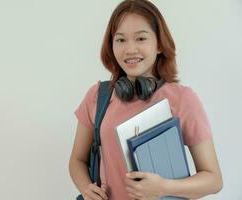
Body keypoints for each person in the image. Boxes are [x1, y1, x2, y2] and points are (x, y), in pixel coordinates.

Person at [69, 0, 223, 199]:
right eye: (121, 40)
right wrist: (85, 187)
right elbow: (77, 160)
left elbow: (214, 180)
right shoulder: (98, 96)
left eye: (141, 38)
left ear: (159, 44)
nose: (130, 49)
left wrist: (165, 187)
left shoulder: (182, 99)